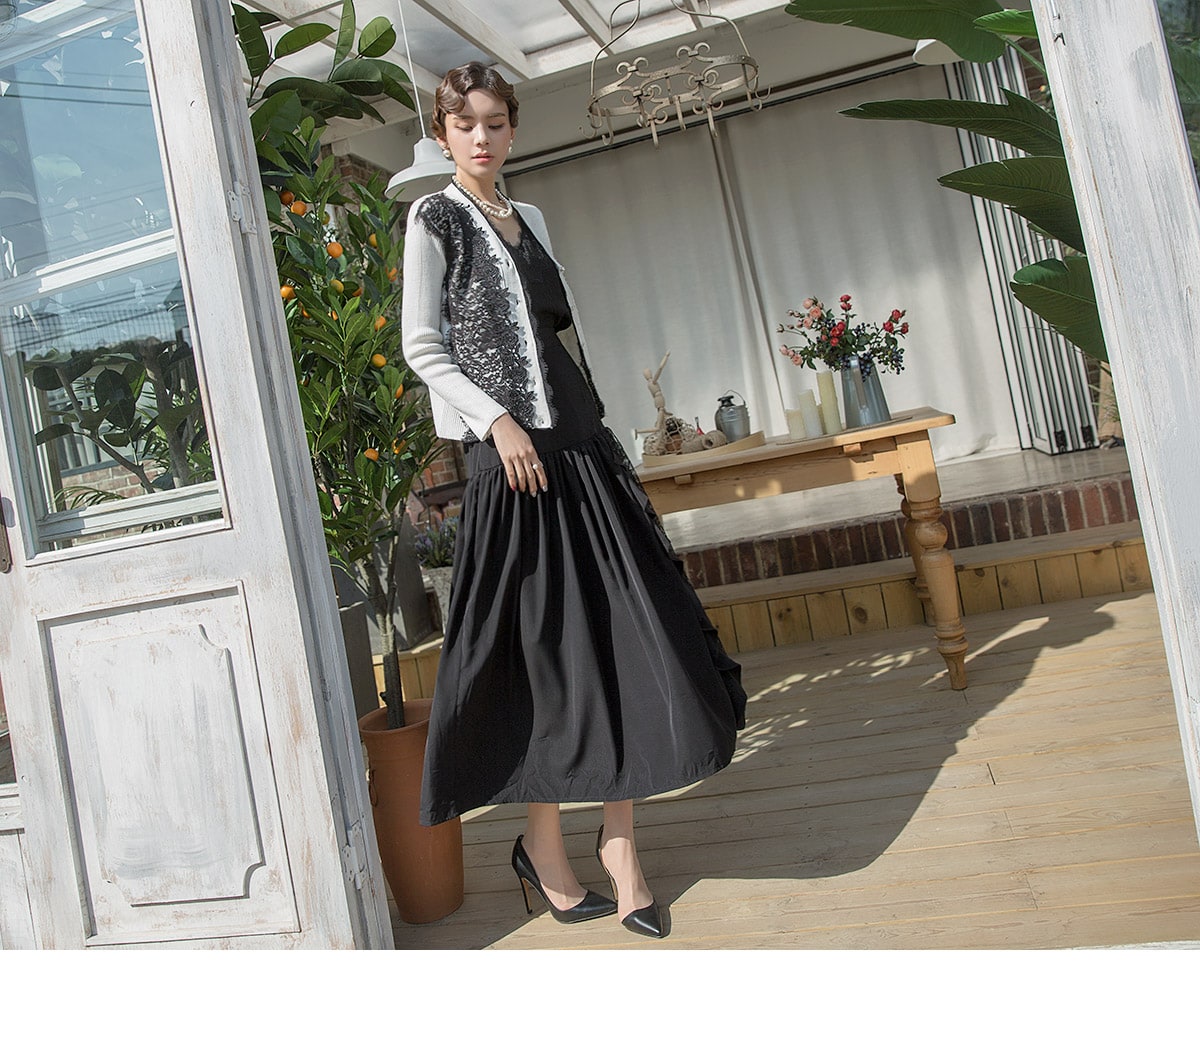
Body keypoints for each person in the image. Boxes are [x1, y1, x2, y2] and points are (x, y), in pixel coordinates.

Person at [401, 61, 747, 940]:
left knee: (620, 636)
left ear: (513, 129)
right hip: (512, 463)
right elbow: (422, 345)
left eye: (495, 122)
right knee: (542, 652)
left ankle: (621, 847)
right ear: (443, 134)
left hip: (581, 447)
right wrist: (495, 424)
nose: (482, 137)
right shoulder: (434, 216)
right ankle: (542, 848)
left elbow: (560, 338)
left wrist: (595, 429)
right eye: (465, 124)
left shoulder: (534, 217)